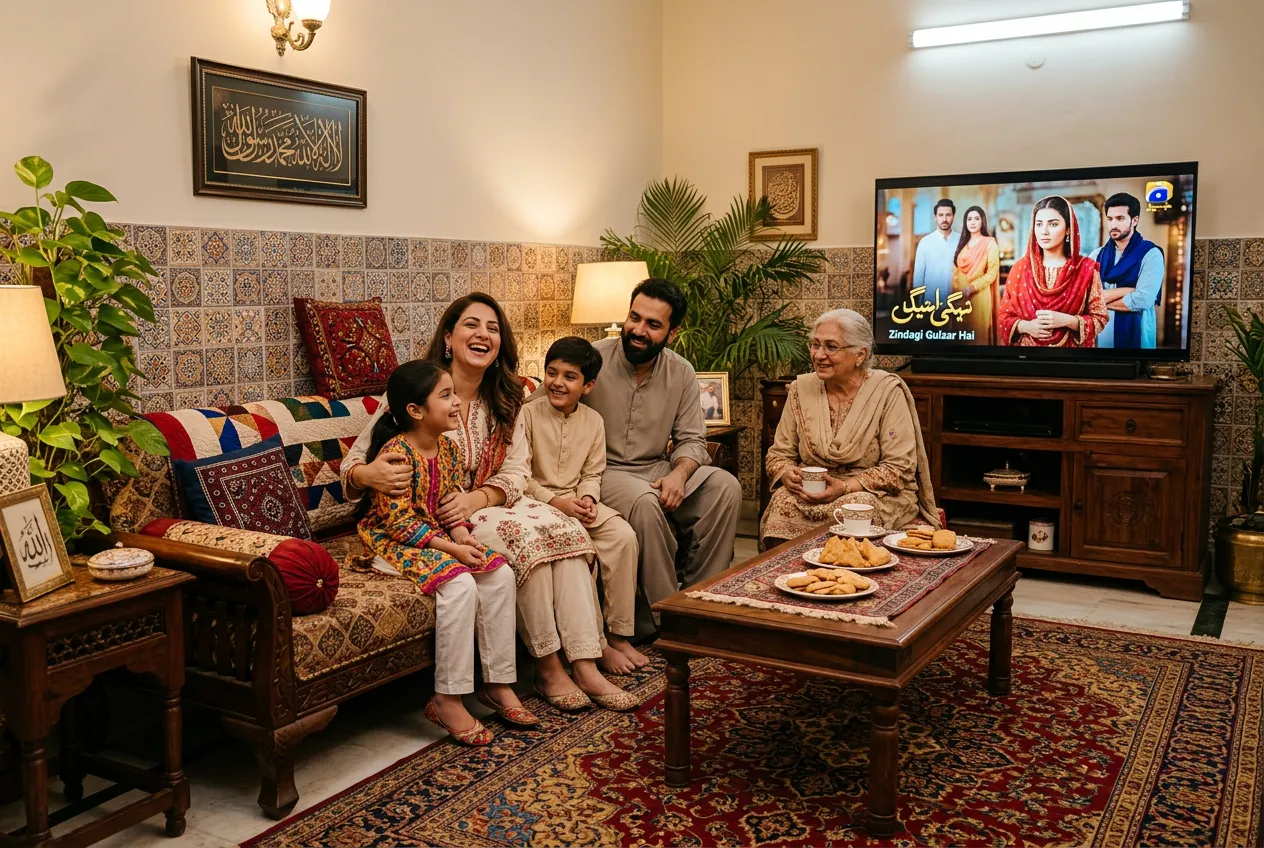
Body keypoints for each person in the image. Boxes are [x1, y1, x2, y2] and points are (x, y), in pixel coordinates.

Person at [342, 294, 637, 713]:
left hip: (482, 506)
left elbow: (517, 472)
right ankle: (548, 667)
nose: (483, 334)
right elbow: (355, 461)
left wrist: (478, 498)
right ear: (448, 337)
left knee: (563, 528)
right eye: (471, 325)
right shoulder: (421, 391)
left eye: (493, 328)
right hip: (432, 518)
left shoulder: (508, 399)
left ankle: (586, 661)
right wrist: (367, 473)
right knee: (524, 538)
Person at [356, 360, 529, 746]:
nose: (456, 404)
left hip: (435, 535)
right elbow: (399, 524)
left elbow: (448, 504)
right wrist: (452, 551)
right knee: (460, 584)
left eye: (454, 394)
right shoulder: (397, 454)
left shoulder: (448, 449)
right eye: (446, 396)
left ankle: (498, 684)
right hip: (391, 540)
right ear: (416, 411)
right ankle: (447, 698)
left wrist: (463, 535)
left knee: (498, 573)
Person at [584, 279, 742, 636]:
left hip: (655, 466)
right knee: (645, 502)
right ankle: (667, 620)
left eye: (653, 325)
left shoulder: (682, 371)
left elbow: (692, 440)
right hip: (602, 470)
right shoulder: (592, 358)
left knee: (725, 487)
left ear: (672, 333)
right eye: (634, 318)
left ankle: (701, 601)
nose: (638, 330)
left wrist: (680, 474)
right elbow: (550, 404)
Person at [760, 309, 940, 549]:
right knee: (782, 499)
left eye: (831, 346)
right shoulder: (801, 389)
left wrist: (845, 487)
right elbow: (778, 454)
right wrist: (786, 473)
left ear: (859, 355)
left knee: (856, 506)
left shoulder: (886, 392)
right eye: (815, 345)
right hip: (813, 492)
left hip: (874, 493)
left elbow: (900, 467)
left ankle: (850, 576)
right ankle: (787, 575)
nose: (819, 355)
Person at [522, 336, 648, 675]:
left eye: (569, 376)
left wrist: (589, 499)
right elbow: (520, 476)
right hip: (537, 504)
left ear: (588, 385)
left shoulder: (593, 421)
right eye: (552, 373)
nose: (557, 382)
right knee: (579, 549)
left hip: (578, 500)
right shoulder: (528, 415)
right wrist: (557, 502)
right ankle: (597, 645)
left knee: (623, 536)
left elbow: (593, 471)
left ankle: (619, 634)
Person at [997, 195, 1108, 348]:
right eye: (1039, 224)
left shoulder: (1085, 269)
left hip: (1071, 360)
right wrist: (1025, 326)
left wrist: (1068, 320)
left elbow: (1100, 317)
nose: (1044, 231)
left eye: (1053, 224)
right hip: (1026, 359)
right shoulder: (1020, 269)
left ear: (1068, 229)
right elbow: (1003, 317)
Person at [1090, 192, 1165, 349]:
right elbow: (1086, 298)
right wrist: (1129, 291)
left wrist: (1099, 301)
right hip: (1101, 337)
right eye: (1110, 219)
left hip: (1138, 338)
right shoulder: (1096, 255)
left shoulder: (1151, 254)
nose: (1113, 225)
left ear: (1134, 220)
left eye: (1120, 218)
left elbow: (1143, 300)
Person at [951, 205, 1000, 344]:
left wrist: (972, 287)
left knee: (977, 338)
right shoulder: (963, 243)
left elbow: (991, 274)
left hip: (978, 296)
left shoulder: (990, 243)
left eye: (976, 219)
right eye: (969, 219)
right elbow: (955, 271)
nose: (972, 222)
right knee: (960, 338)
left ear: (982, 221)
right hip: (959, 297)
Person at [911, 199, 958, 303]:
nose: (944, 219)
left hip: (956, 302)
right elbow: (918, 276)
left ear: (953, 217)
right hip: (930, 302)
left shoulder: (961, 241)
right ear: (935, 217)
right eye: (940, 215)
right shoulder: (925, 242)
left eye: (948, 215)